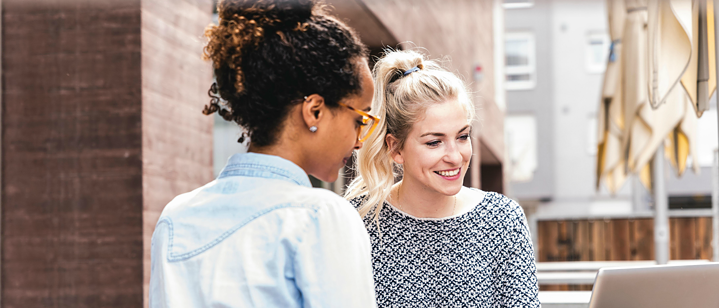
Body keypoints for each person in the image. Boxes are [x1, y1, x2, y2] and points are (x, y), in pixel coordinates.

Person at [149, 0, 379, 307]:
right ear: (315, 111)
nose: (359, 141)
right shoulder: (320, 216)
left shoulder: (176, 218)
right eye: (360, 118)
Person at [346, 49, 540, 307]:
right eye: (435, 142)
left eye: (462, 136)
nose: (455, 156)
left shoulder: (502, 219)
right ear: (395, 149)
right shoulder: (357, 222)